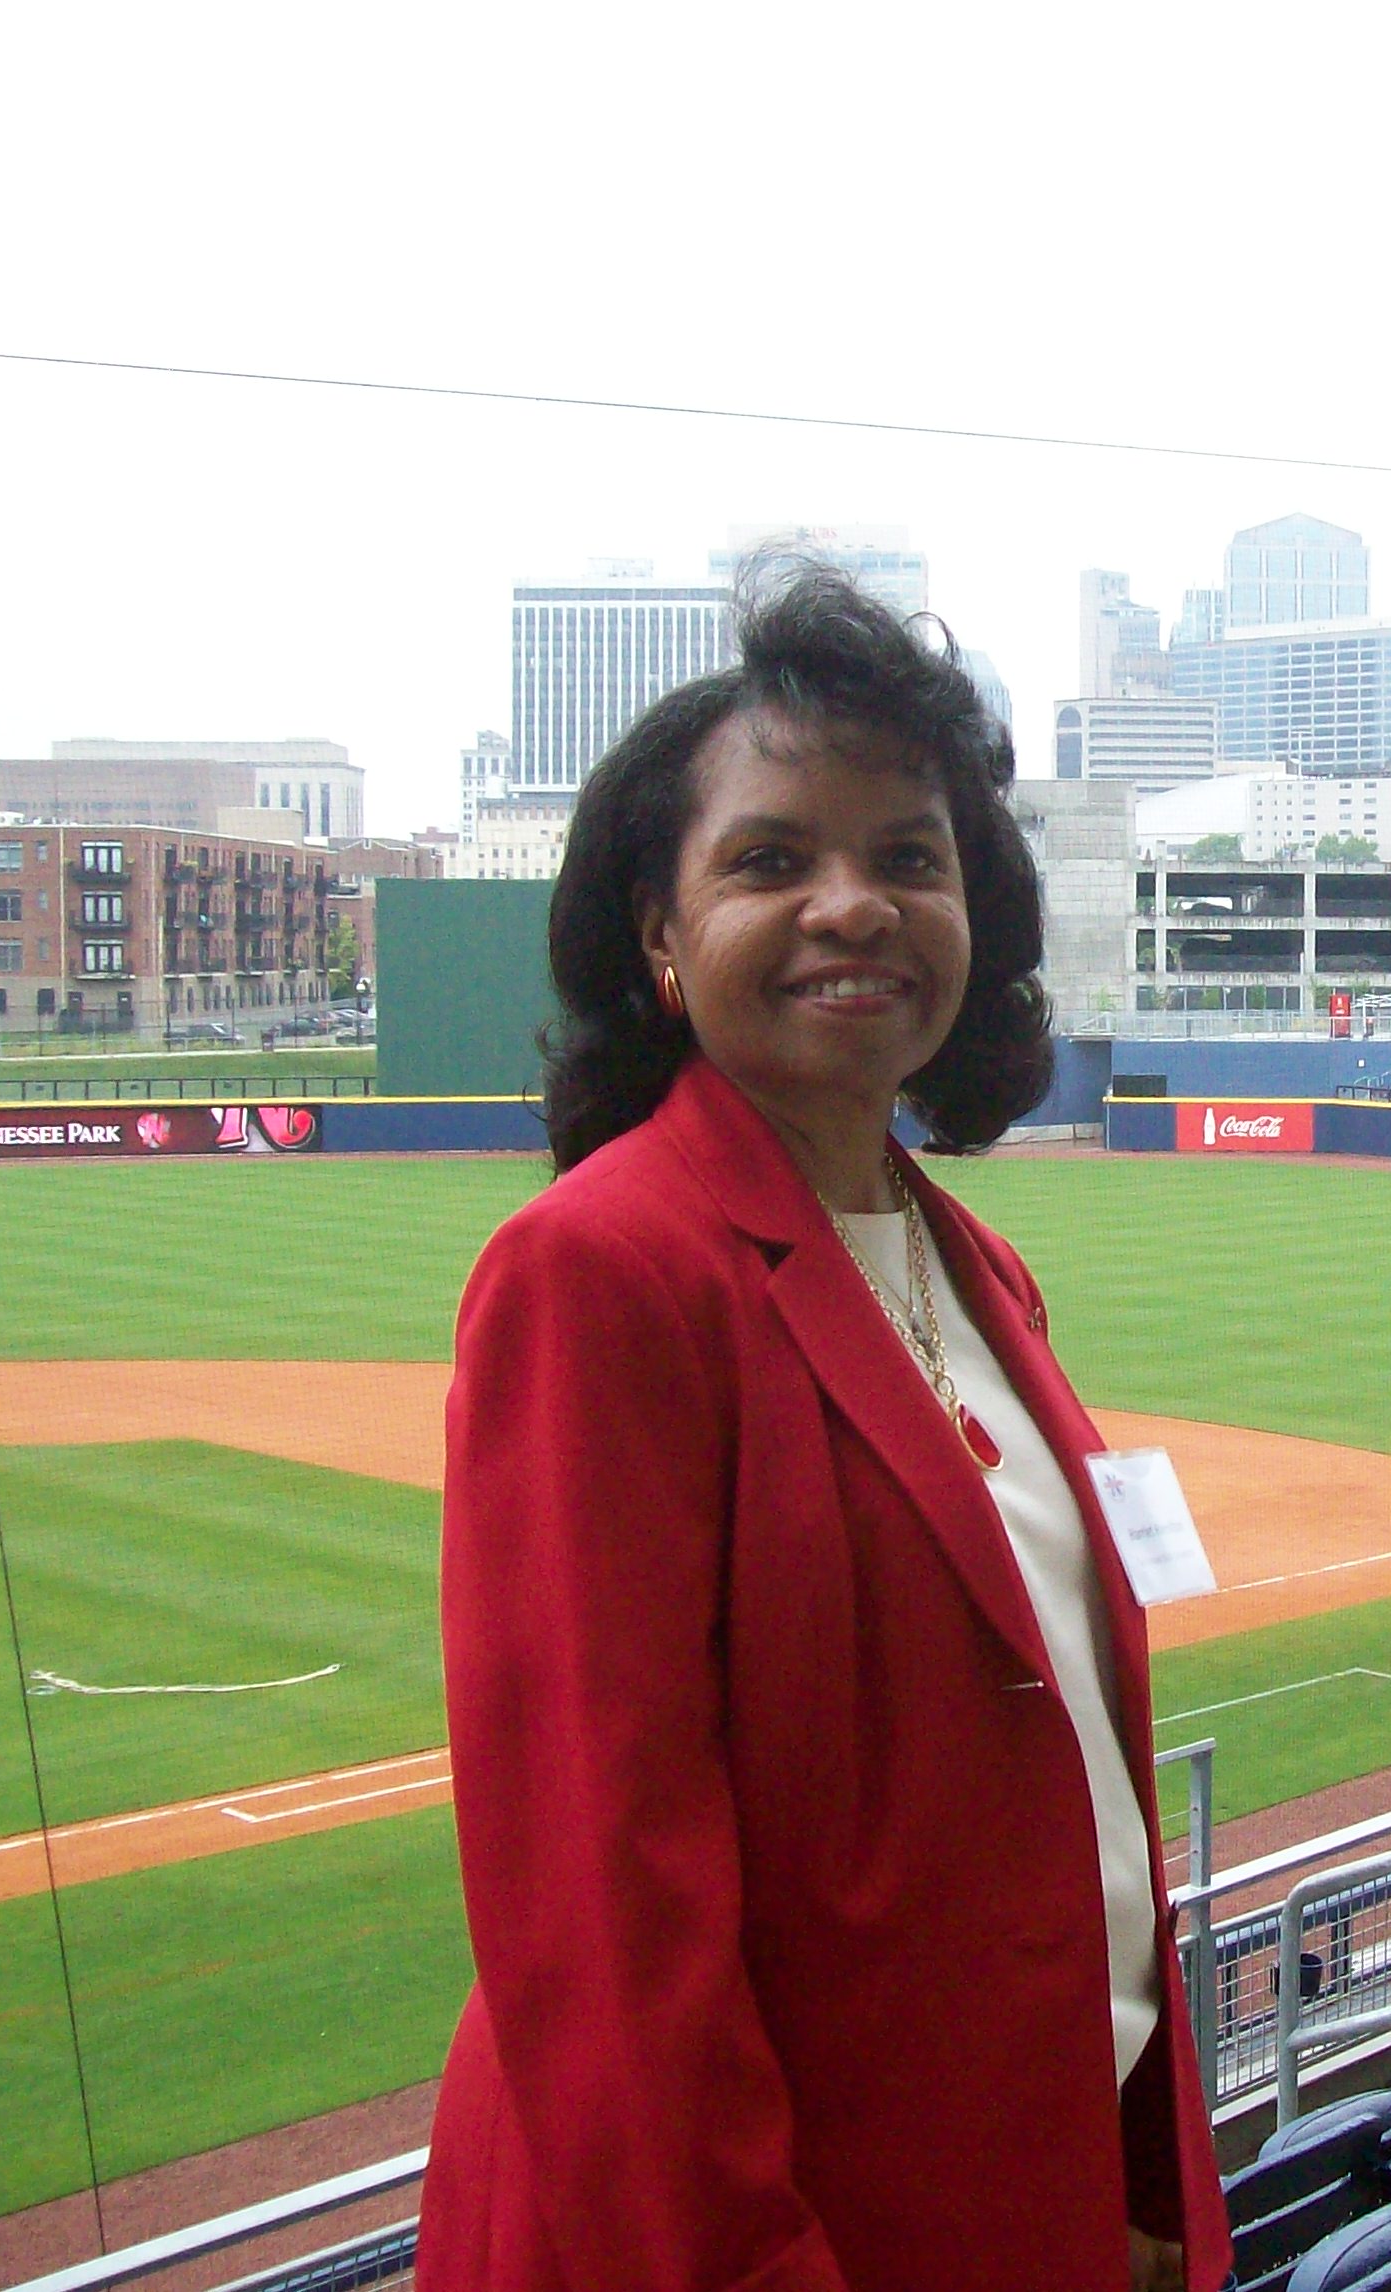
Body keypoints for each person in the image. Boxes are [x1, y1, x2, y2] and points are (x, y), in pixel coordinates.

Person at [417, 561, 1226, 2292]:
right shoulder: (601, 1273)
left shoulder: (975, 1262)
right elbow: (601, 1908)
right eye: (771, 860)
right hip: (777, 2229)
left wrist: (1142, 2174)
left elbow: (1066, 1766)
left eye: (908, 859)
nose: (852, 905)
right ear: (659, 932)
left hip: (1026, 2190)